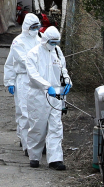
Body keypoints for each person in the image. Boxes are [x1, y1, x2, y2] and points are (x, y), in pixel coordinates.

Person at [24, 26, 71, 170]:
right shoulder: (33, 54)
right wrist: (46, 86)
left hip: (56, 96)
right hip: (38, 96)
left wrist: (68, 82)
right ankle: (34, 156)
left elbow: (63, 69)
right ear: (45, 40)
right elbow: (33, 74)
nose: (54, 44)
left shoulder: (56, 52)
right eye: (52, 42)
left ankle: (55, 159)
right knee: (38, 127)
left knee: (56, 127)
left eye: (56, 42)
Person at [3, 12, 41, 152]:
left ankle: (37, 142)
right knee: (24, 112)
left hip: (39, 79)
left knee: (38, 112)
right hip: (24, 78)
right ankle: (27, 145)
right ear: (26, 27)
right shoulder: (18, 41)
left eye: (37, 26)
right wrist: (10, 81)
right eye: (33, 27)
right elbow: (20, 61)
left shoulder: (40, 39)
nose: (35, 29)